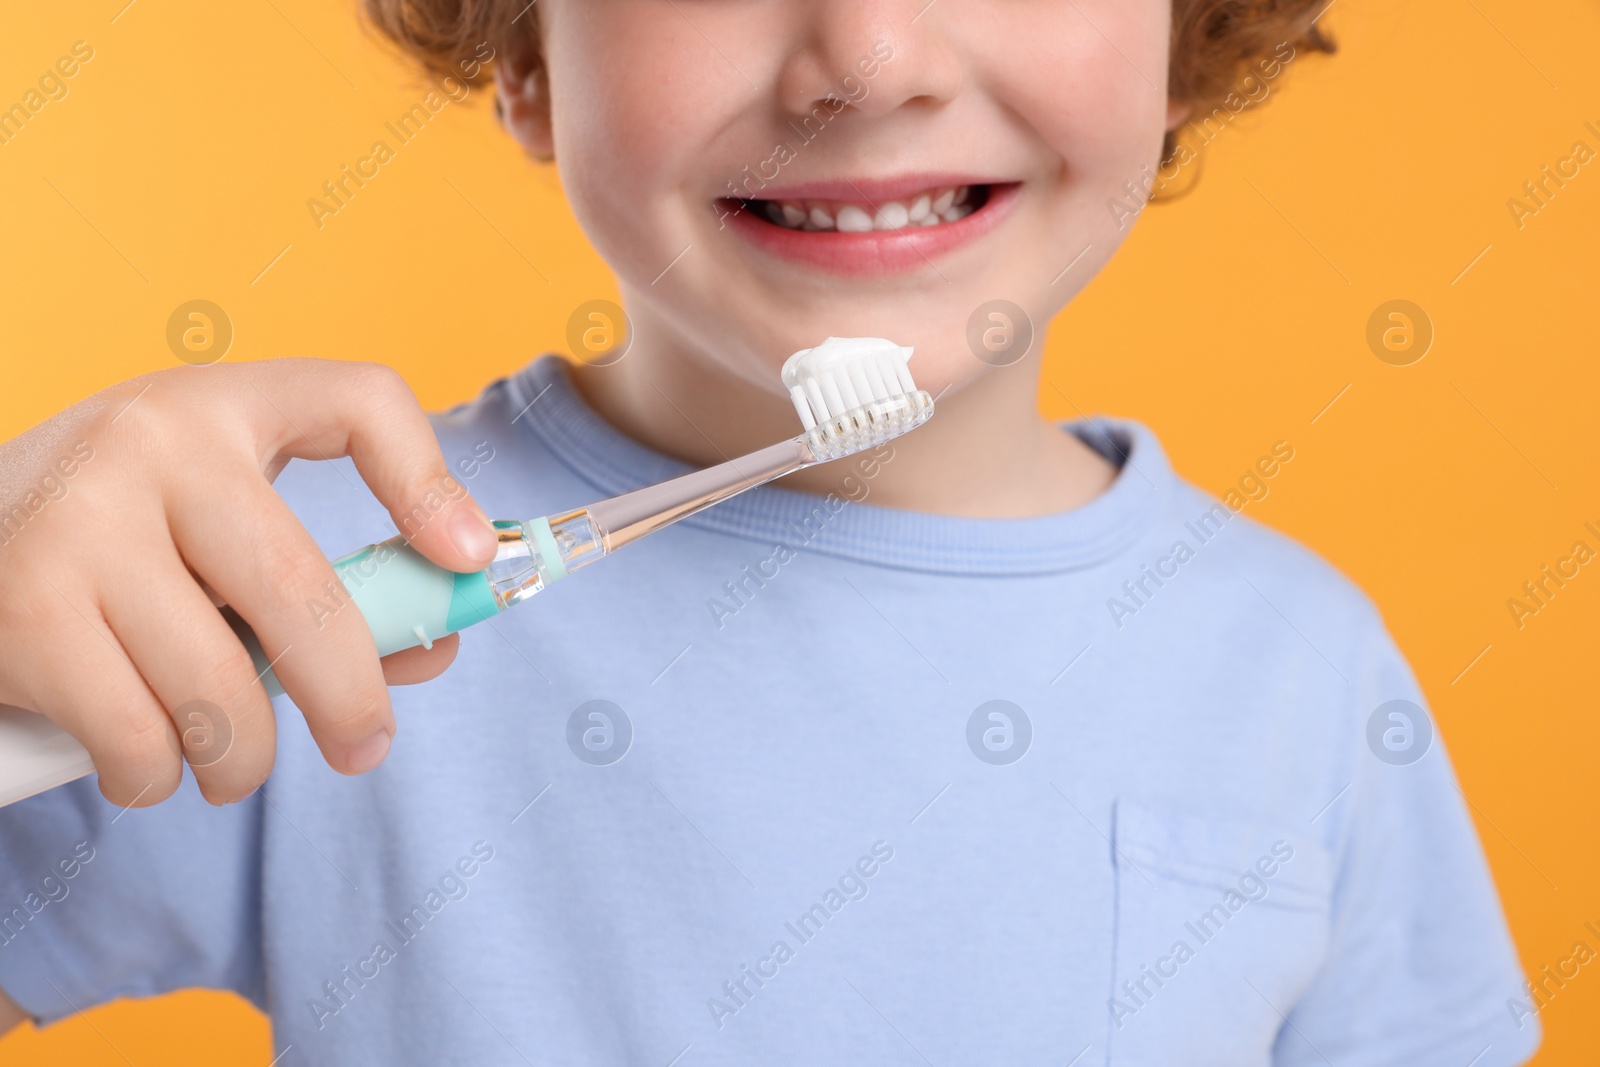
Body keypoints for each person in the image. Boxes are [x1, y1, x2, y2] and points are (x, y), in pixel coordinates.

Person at [0, 1, 1538, 1063]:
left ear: (1184, 36)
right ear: (526, 50)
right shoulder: (292, 594)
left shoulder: (1302, 668)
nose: (868, 59)